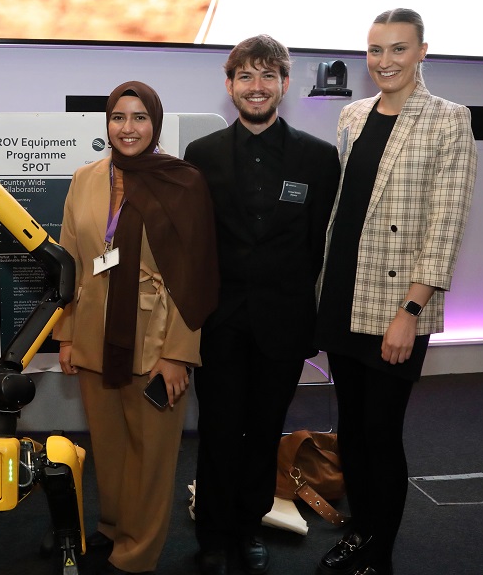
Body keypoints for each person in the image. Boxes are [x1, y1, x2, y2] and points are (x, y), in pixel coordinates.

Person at [314, 8, 477, 575]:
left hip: (396, 305)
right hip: (344, 295)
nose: (385, 62)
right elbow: (342, 210)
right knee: (353, 432)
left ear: (422, 52)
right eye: (376, 50)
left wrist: (412, 309)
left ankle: (379, 553)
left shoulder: (448, 119)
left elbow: (446, 223)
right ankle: (360, 534)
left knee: (382, 434)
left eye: (399, 49)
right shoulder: (353, 114)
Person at [183, 34, 341, 575]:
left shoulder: (319, 159)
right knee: (219, 429)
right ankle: (212, 532)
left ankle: (248, 527)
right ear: (230, 86)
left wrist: (314, 320)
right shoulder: (200, 155)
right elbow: (194, 242)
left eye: (268, 76)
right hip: (218, 322)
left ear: (285, 85)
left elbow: (321, 243)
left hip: (284, 323)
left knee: (263, 428)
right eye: (246, 76)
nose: (257, 86)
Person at [53, 81, 219, 575]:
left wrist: (178, 355)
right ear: (106, 122)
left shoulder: (183, 182)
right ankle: (113, 527)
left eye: (140, 117)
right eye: (119, 117)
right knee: (107, 444)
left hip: (157, 339)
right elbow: (71, 262)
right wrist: (65, 335)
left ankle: (137, 552)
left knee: (151, 454)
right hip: (93, 334)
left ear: (156, 123)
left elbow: (195, 275)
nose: (128, 128)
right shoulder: (85, 178)